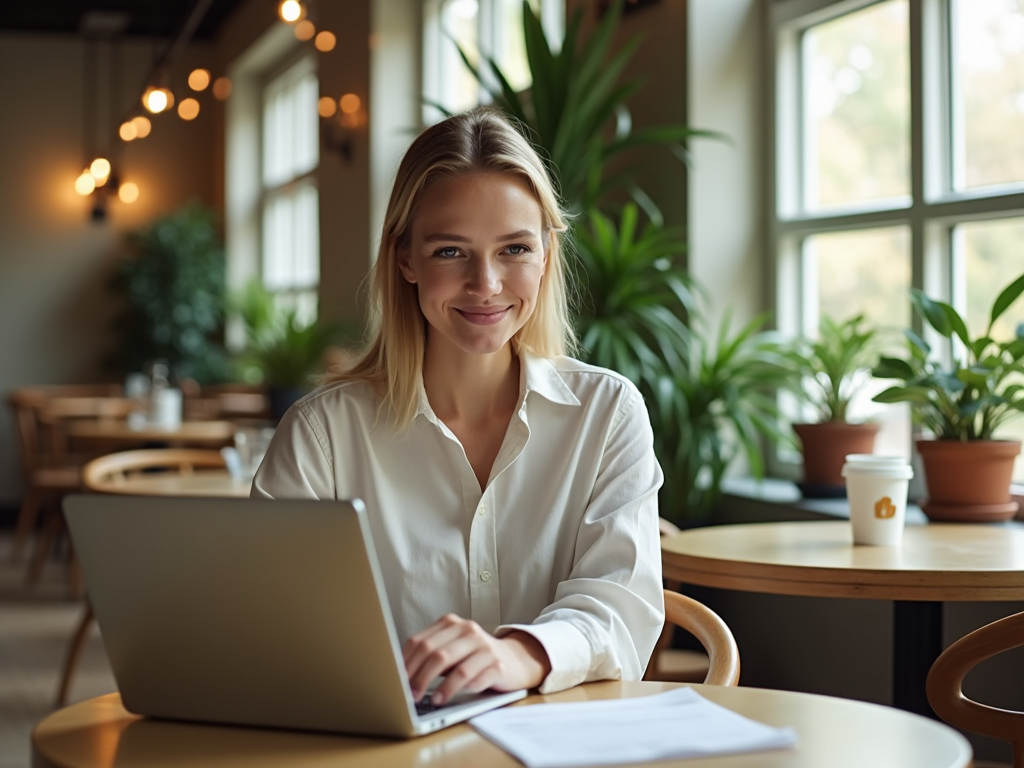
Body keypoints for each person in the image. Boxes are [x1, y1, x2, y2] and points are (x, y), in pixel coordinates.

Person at [252, 107, 664, 706]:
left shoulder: (607, 413)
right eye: (450, 251)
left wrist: (517, 654)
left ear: (546, 254)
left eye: (515, 248)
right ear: (405, 259)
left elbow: (620, 608)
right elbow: (273, 621)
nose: (487, 284)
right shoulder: (323, 434)